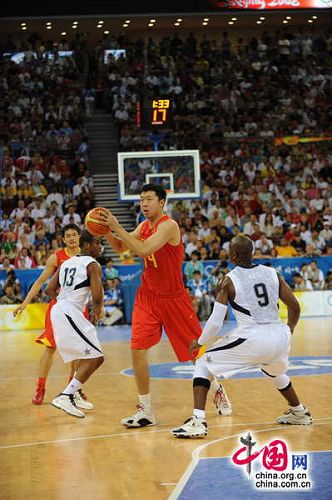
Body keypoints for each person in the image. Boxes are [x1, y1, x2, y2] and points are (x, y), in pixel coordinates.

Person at [100, 184, 231, 427]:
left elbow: (142, 248)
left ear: (162, 202)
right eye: (141, 200)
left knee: (195, 352)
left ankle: (216, 388)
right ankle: (145, 408)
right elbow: (121, 248)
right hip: (148, 296)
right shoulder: (143, 225)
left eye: (149, 199)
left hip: (174, 298)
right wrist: (106, 230)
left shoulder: (169, 226)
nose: (144, 204)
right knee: (137, 349)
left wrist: (116, 226)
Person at [171, 235, 312, 438]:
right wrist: (289, 330)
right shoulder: (273, 273)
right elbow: (295, 307)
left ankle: (198, 421)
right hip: (279, 336)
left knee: (202, 362)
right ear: (252, 253)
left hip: (253, 337)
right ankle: (299, 412)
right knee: (273, 370)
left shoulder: (228, 280)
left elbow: (216, 322)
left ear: (234, 254)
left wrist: (199, 341)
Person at [13, 224, 92, 409]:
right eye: (68, 236)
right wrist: (25, 303)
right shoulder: (56, 257)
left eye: (74, 235)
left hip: (79, 307)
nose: (72, 238)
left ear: (79, 237)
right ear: (63, 239)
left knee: (78, 351)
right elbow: (41, 281)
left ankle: (72, 390)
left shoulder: (87, 257)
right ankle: (40, 388)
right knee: (50, 347)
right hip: (58, 306)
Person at [46, 230, 104, 418]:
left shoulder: (67, 263)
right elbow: (97, 294)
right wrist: (96, 311)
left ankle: (75, 392)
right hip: (69, 312)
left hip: (62, 309)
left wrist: (62, 302)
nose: (100, 246)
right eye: (97, 242)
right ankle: (66, 395)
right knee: (96, 357)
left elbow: (49, 289)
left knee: (87, 356)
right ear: (86, 245)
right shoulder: (92, 264)